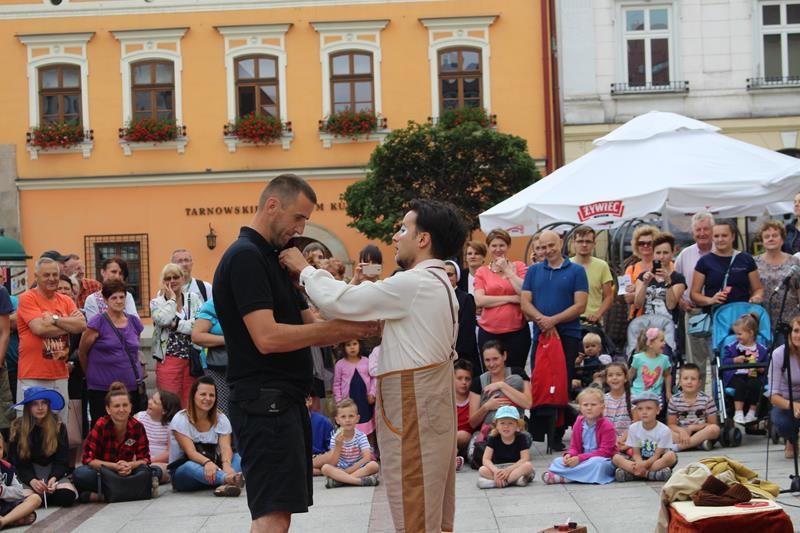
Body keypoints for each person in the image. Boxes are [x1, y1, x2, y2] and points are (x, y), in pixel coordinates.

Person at [282, 197, 467, 533]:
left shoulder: (415, 282)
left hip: (414, 402)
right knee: (425, 492)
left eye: (403, 229)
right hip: (428, 401)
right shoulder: (439, 282)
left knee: (413, 491)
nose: (396, 237)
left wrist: (305, 269)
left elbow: (340, 302)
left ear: (423, 239)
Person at [213, 174, 379, 532]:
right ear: (272, 205)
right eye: (298, 217)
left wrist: (351, 310)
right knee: (272, 515)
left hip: (281, 403)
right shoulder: (246, 257)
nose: (301, 228)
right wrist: (342, 330)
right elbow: (267, 338)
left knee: (279, 513)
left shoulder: (273, 259)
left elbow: (312, 325)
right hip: (264, 403)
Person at [17, 257, 86, 424]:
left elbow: (82, 325)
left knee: (59, 427)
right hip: (33, 375)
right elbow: (39, 329)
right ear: (36, 277)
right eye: (46, 275)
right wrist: (68, 324)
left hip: (59, 374)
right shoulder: (27, 298)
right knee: (31, 428)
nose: (52, 278)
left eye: (55, 274)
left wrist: (54, 319)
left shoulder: (66, 300)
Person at [521, 229, 589, 383]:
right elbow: (525, 303)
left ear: (561, 243)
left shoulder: (577, 271)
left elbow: (580, 306)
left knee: (563, 381)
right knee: (539, 380)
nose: (548, 250)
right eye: (543, 247)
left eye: (551, 245)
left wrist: (552, 321)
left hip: (568, 335)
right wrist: (543, 321)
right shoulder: (533, 271)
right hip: (541, 334)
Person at [73, 382, 155, 503]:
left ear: (130, 407)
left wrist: (130, 465)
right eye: (116, 406)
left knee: (154, 471)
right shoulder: (101, 425)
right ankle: (129, 491)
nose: (121, 409)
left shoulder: (137, 426)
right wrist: (114, 467)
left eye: (125, 405)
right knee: (81, 474)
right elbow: (88, 459)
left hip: (127, 471)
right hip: (104, 471)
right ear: (108, 409)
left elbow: (145, 459)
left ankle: (104, 495)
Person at [78, 279, 145, 422]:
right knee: (102, 428)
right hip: (102, 388)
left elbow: (134, 350)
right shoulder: (97, 322)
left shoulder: (134, 322)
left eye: (122, 297)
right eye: (114, 298)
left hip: (130, 387)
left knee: (130, 428)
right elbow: (82, 352)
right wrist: (90, 374)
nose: (119, 301)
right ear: (105, 300)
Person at [168, 376, 243, 496]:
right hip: (187, 474)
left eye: (212, 395)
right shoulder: (180, 418)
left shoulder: (221, 418)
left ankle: (224, 483)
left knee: (238, 457)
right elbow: (190, 452)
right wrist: (207, 463)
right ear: (193, 396)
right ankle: (227, 479)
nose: (208, 399)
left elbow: (225, 447)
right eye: (203, 394)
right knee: (189, 466)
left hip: (215, 469)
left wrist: (226, 464)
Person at [8, 387, 77, 507]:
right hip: (27, 475)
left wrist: (53, 478)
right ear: (28, 407)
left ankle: (41, 498)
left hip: (52, 473)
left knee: (68, 496)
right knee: (23, 499)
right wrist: (32, 480)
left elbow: (62, 460)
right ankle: (37, 499)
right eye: (35, 404)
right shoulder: (18, 427)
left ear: (48, 405)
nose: (40, 408)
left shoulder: (58, 426)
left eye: (44, 403)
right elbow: (18, 463)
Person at [473, 229, 530, 368]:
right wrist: (511, 298)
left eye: (502, 245)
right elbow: (479, 300)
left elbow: (524, 292)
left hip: (517, 332)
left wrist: (507, 270)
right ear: (489, 247)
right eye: (494, 245)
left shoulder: (519, 267)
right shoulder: (482, 271)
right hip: (489, 333)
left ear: (508, 246)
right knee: (492, 372)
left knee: (516, 373)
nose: (498, 249)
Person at [151, 263, 202, 408]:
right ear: (163, 281)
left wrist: (177, 325)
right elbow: (164, 320)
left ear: (183, 278)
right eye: (168, 278)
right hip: (168, 360)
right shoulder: (156, 303)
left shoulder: (193, 298)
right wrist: (172, 299)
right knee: (170, 405)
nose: (172, 281)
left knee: (190, 405)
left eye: (175, 277)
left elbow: (199, 325)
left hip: (192, 360)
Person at [541, 387, 616, 484]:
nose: (589, 408)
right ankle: (577, 475)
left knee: (598, 464)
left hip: (601, 460)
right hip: (582, 460)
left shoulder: (607, 425)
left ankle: (567, 478)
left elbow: (605, 452)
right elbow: (574, 447)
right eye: (585, 405)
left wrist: (579, 458)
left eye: (593, 404)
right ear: (580, 407)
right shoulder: (579, 422)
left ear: (602, 406)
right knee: (558, 461)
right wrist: (569, 455)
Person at [675, 212, 715, 385]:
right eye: (698, 230)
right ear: (693, 233)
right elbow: (675, 283)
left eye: (706, 229)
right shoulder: (685, 254)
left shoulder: (722, 251)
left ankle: (719, 397)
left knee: (718, 359)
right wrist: (681, 302)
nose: (702, 233)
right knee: (695, 362)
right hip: (694, 312)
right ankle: (697, 397)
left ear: (713, 230)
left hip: (719, 312)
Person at [691, 221, 764, 310]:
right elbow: (694, 294)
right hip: (715, 314)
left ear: (733, 237)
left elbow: (757, 288)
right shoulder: (704, 261)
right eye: (716, 236)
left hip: (742, 314)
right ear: (712, 238)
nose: (720, 239)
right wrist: (711, 300)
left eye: (724, 235)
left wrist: (756, 297)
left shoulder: (746, 259)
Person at [468, 341, 532, 438]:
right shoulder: (478, 382)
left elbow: (528, 403)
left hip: (514, 431)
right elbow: (472, 423)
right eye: (487, 360)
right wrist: (486, 407)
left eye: (495, 359)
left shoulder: (517, 373)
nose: (491, 364)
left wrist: (502, 385)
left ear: (504, 356)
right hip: (489, 433)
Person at [612, 391, 677, 482]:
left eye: (649, 408)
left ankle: (635, 474)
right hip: (639, 460)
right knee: (616, 458)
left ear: (657, 410)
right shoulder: (634, 428)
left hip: (657, 460)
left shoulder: (664, 430)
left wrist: (643, 465)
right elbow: (636, 453)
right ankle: (652, 474)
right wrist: (639, 463)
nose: (644, 412)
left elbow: (656, 455)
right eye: (640, 409)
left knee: (671, 456)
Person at [318, 399, 379, 488]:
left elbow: (367, 458)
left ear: (357, 418)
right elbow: (333, 463)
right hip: (341, 469)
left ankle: (340, 481)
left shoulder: (361, 436)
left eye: (351, 416)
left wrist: (349, 471)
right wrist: (338, 446)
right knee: (325, 468)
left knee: (374, 465)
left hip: (357, 468)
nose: (347, 420)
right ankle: (359, 481)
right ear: (337, 420)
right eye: (343, 417)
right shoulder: (335, 437)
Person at [755, 220, 800, 342]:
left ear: (782, 239)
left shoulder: (794, 261)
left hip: (790, 320)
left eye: (775, 235)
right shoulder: (754, 262)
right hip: (763, 320)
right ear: (762, 240)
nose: (771, 239)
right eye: (767, 236)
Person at [722, 313, 769, 425]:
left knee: (756, 384)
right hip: (736, 375)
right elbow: (724, 361)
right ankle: (738, 412)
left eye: (739, 334)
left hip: (754, 375)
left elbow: (767, 365)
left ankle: (752, 412)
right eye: (735, 334)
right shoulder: (732, 347)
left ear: (751, 333)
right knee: (740, 383)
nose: (737, 337)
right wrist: (734, 360)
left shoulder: (761, 350)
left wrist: (760, 368)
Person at [475, 405, 534, 489]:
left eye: (510, 423)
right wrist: (496, 471)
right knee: (482, 469)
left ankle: (499, 483)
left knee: (528, 466)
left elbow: (525, 459)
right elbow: (486, 459)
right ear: (497, 425)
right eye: (502, 423)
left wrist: (509, 470)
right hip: (498, 468)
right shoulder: (493, 438)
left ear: (517, 425)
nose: (506, 426)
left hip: (515, 467)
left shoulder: (521, 438)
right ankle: (514, 481)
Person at [767, 315, 800, 458]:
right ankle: (791, 439)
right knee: (784, 422)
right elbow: (773, 395)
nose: (798, 335)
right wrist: (793, 405)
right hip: (785, 402)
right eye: (796, 331)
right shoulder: (779, 354)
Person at [667, 364, 720, 451]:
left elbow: (712, 423)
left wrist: (692, 428)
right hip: (681, 434)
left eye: (693, 379)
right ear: (680, 382)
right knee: (665, 432)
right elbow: (671, 425)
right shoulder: (674, 400)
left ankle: (680, 447)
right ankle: (698, 444)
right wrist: (682, 431)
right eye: (685, 378)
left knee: (715, 429)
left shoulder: (707, 399)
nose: (689, 382)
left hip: (701, 432)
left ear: (699, 382)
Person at [633, 232, 686, 320]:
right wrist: (645, 284)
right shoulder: (644, 276)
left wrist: (668, 282)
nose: (661, 257)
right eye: (658, 253)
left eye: (665, 252)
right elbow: (638, 304)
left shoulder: (678, 278)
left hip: (669, 325)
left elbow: (671, 305)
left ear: (672, 253)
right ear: (653, 253)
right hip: (647, 324)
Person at [191, 298, 230, 414]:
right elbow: (197, 336)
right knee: (222, 410)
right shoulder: (213, 304)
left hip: (247, 366)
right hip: (218, 368)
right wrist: (231, 340)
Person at [134, 390, 181, 484]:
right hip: (138, 459)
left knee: (160, 470)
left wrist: (148, 461)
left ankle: (149, 478)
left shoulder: (172, 425)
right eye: (151, 398)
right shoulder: (139, 417)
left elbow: (169, 453)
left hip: (158, 462)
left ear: (164, 411)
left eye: (155, 402)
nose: (150, 402)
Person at [571, 225, 614, 326]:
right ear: (573, 243)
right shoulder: (566, 265)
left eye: (588, 241)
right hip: (569, 322)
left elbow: (609, 296)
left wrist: (598, 314)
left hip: (593, 323)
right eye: (580, 241)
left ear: (594, 244)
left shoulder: (602, 266)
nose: (584, 245)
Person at [332, 339, 375, 439]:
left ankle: (368, 447)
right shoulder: (340, 364)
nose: (352, 347)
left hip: (365, 401)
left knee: (367, 425)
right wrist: (339, 401)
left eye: (355, 344)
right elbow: (337, 384)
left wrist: (372, 393)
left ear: (360, 345)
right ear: (343, 347)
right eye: (348, 345)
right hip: (349, 402)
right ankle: (354, 447)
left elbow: (373, 378)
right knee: (351, 426)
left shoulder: (367, 361)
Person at [445, 260, 480, 376]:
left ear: (457, 277)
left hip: (461, 356)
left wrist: (457, 355)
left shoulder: (466, 298)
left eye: (450, 274)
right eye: (443, 275)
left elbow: (466, 332)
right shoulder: (434, 298)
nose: (446, 278)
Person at [0, 433, 41, 528]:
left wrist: (2, 491)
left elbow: (19, 492)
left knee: (35, 499)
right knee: (29, 516)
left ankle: (4, 521)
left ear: (3, 450)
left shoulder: (7, 468)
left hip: (5, 506)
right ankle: (14, 519)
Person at [624, 225, 660, 319]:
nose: (645, 246)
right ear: (636, 245)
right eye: (641, 243)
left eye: (649, 243)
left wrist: (637, 288)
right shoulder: (630, 269)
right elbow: (628, 298)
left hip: (662, 318)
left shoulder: (667, 265)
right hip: (638, 319)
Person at [629, 327, 673, 402]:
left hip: (655, 395)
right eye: (661, 340)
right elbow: (631, 374)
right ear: (651, 344)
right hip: (637, 393)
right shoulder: (638, 358)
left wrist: (668, 392)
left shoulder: (664, 359)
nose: (664, 343)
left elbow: (667, 375)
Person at [604, 362, 633, 455]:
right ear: (606, 379)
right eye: (610, 375)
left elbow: (636, 425)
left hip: (628, 441)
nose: (614, 378)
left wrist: (622, 440)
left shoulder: (633, 399)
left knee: (633, 452)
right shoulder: (602, 400)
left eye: (618, 375)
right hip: (606, 442)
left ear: (625, 378)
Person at [308, 396, 334, 476]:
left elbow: (332, 450)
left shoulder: (324, 421)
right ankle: (320, 471)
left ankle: (310, 470)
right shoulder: (289, 423)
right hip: (299, 459)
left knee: (334, 454)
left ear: (309, 401)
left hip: (319, 458)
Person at [454, 359, 474, 460]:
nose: (464, 382)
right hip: (446, 439)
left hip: (466, 441)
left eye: (467, 379)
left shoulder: (474, 398)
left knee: (462, 435)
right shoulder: (446, 399)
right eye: (459, 378)